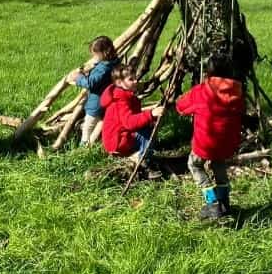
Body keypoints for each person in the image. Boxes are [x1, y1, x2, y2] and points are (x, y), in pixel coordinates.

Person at [176, 51, 245, 221]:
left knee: (194, 164)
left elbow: (181, 107)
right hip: (227, 142)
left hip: (206, 142)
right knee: (218, 163)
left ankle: (212, 202)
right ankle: (225, 201)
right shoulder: (237, 91)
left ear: (208, 72)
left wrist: (178, 101)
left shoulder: (202, 91)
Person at [100, 64, 164, 162]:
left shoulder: (127, 96)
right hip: (117, 141)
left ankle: (143, 153)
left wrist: (150, 118)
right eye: (131, 79)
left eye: (135, 78)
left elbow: (135, 118)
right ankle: (144, 160)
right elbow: (129, 122)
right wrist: (150, 114)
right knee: (145, 132)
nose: (136, 81)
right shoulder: (120, 99)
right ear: (119, 82)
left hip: (122, 137)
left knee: (148, 126)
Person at [66, 36, 120, 145]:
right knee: (98, 123)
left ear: (104, 53)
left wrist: (78, 78)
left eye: (95, 54)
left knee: (87, 127)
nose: (93, 57)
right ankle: (94, 143)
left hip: (96, 103)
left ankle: (84, 147)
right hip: (106, 101)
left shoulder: (103, 68)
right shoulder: (114, 63)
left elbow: (90, 83)